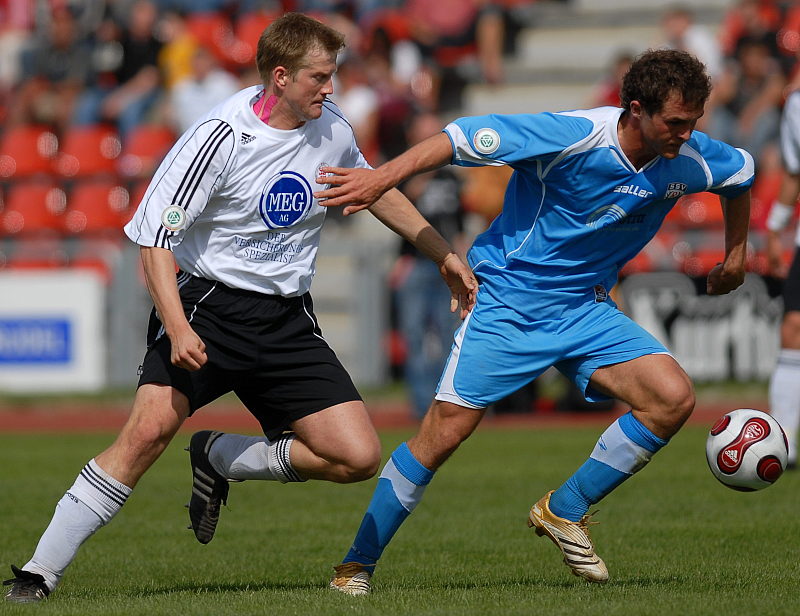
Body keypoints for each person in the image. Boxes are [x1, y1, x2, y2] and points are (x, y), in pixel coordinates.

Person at [3, 13, 476, 604]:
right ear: (280, 76)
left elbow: (372, 188)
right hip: (208, 310)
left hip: (285, 319)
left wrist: (443, 254)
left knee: (356, 456)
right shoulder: (219, 138)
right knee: (145, 435)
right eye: (319, 76)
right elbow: (155, 240)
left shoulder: (331, 128)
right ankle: (37, 573)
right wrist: (177, 327)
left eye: (332, 74)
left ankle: (220, 455)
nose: (330, 87)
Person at [314, 49, 754, 594]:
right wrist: (379, 179)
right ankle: (355, 567)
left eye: (693, 122)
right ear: (637, 109)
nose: (686, 134)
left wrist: (736, 256)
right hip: (510, 304)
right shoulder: (573, 136)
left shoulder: (688, 156)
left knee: (671, 399)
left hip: (586, 308)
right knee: (441, 437)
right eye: (676, 122)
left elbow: (741, 175)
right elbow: (458, 137)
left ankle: (565, 508)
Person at [765, 88, 800, 469]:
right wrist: (775, 229)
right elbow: (795, 172)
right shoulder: (796, 105)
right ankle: (784, 441)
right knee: (793, 327)